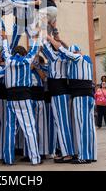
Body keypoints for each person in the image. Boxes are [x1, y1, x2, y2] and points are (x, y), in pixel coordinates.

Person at [48, 36, 97, 164]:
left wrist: (48, 37)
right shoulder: (86, 59)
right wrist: (60, 39)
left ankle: (84, 157)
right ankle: (90, 154)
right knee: (88, 126)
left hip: (81, 96)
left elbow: (63, 50)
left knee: (82, 126)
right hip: (87, 96)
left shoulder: (78, 58)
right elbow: (67, 50)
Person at [1, 28, 41, 166]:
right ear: (24, 53)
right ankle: (35, 159)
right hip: (24, 97)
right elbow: (35, 49)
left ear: (13, 53)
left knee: (10, 129)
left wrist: (4, 37)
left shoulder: (8, 60)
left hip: (11, 98)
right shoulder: (27, 60)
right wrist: (37, 36)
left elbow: (5, 49)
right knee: (29, 128)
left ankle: (8, 159)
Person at [41, 34, 74, 163]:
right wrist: (55, 31)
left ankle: (67, 154)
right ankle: (65, 151)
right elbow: (63, 47)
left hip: (59, 93)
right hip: (60, 92)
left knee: (62, 123)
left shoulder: (56, 57)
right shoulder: (64, 57)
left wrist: (47, 36)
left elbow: (44, 46)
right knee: (61, 123)